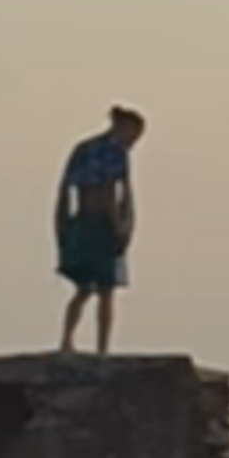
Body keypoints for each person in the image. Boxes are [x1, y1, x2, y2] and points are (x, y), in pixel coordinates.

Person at [55, 104, 146, 352]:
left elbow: (64, 192)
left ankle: (67, 340)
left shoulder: (83, 149)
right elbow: (112, 193)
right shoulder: (111, 152)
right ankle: (102, 348)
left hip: (81, 222)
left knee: (83, 289)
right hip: (100, 225)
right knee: (106, 290)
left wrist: (61, 226)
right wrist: (120, 226)